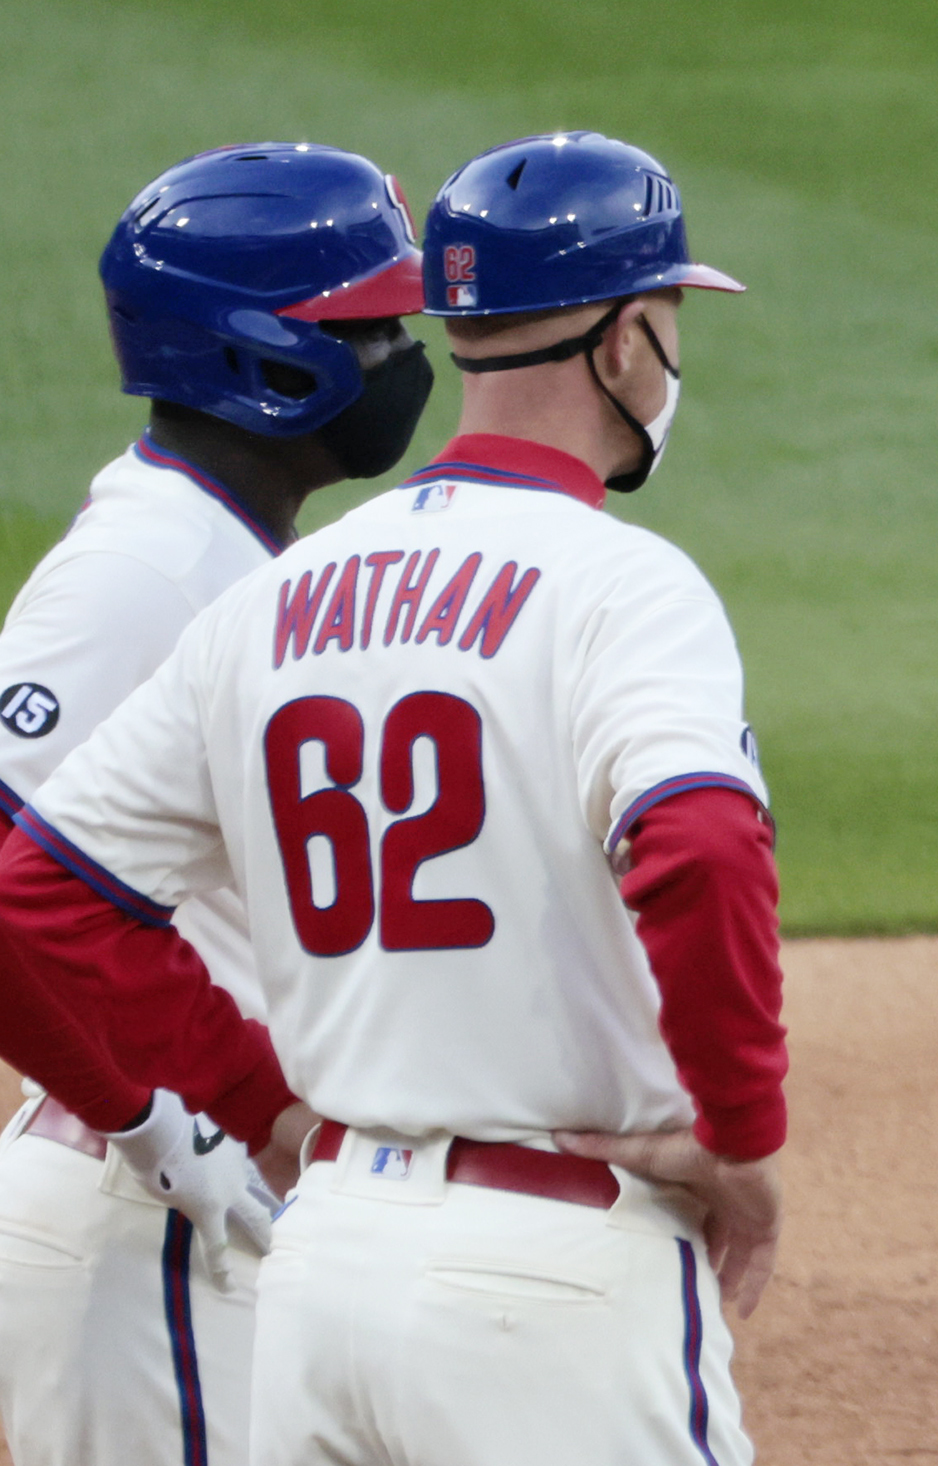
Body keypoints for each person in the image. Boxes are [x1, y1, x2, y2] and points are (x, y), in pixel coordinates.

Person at [0, 130, 783, 1465]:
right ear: (620, 341)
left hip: (325, 1260)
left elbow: (42, 887)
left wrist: (267, 1108)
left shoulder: (275, 594)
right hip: (544, 1272)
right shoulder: (624, 582)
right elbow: (701, 841)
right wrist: (739, 1134)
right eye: (664, 317)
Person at [0, 141, 430, 1466]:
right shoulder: (143, 567)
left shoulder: (229, 550)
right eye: (368, 330)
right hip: (157, 1211)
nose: (404, 361)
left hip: (212, 1193)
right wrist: (158, 1118)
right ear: (259, 357)